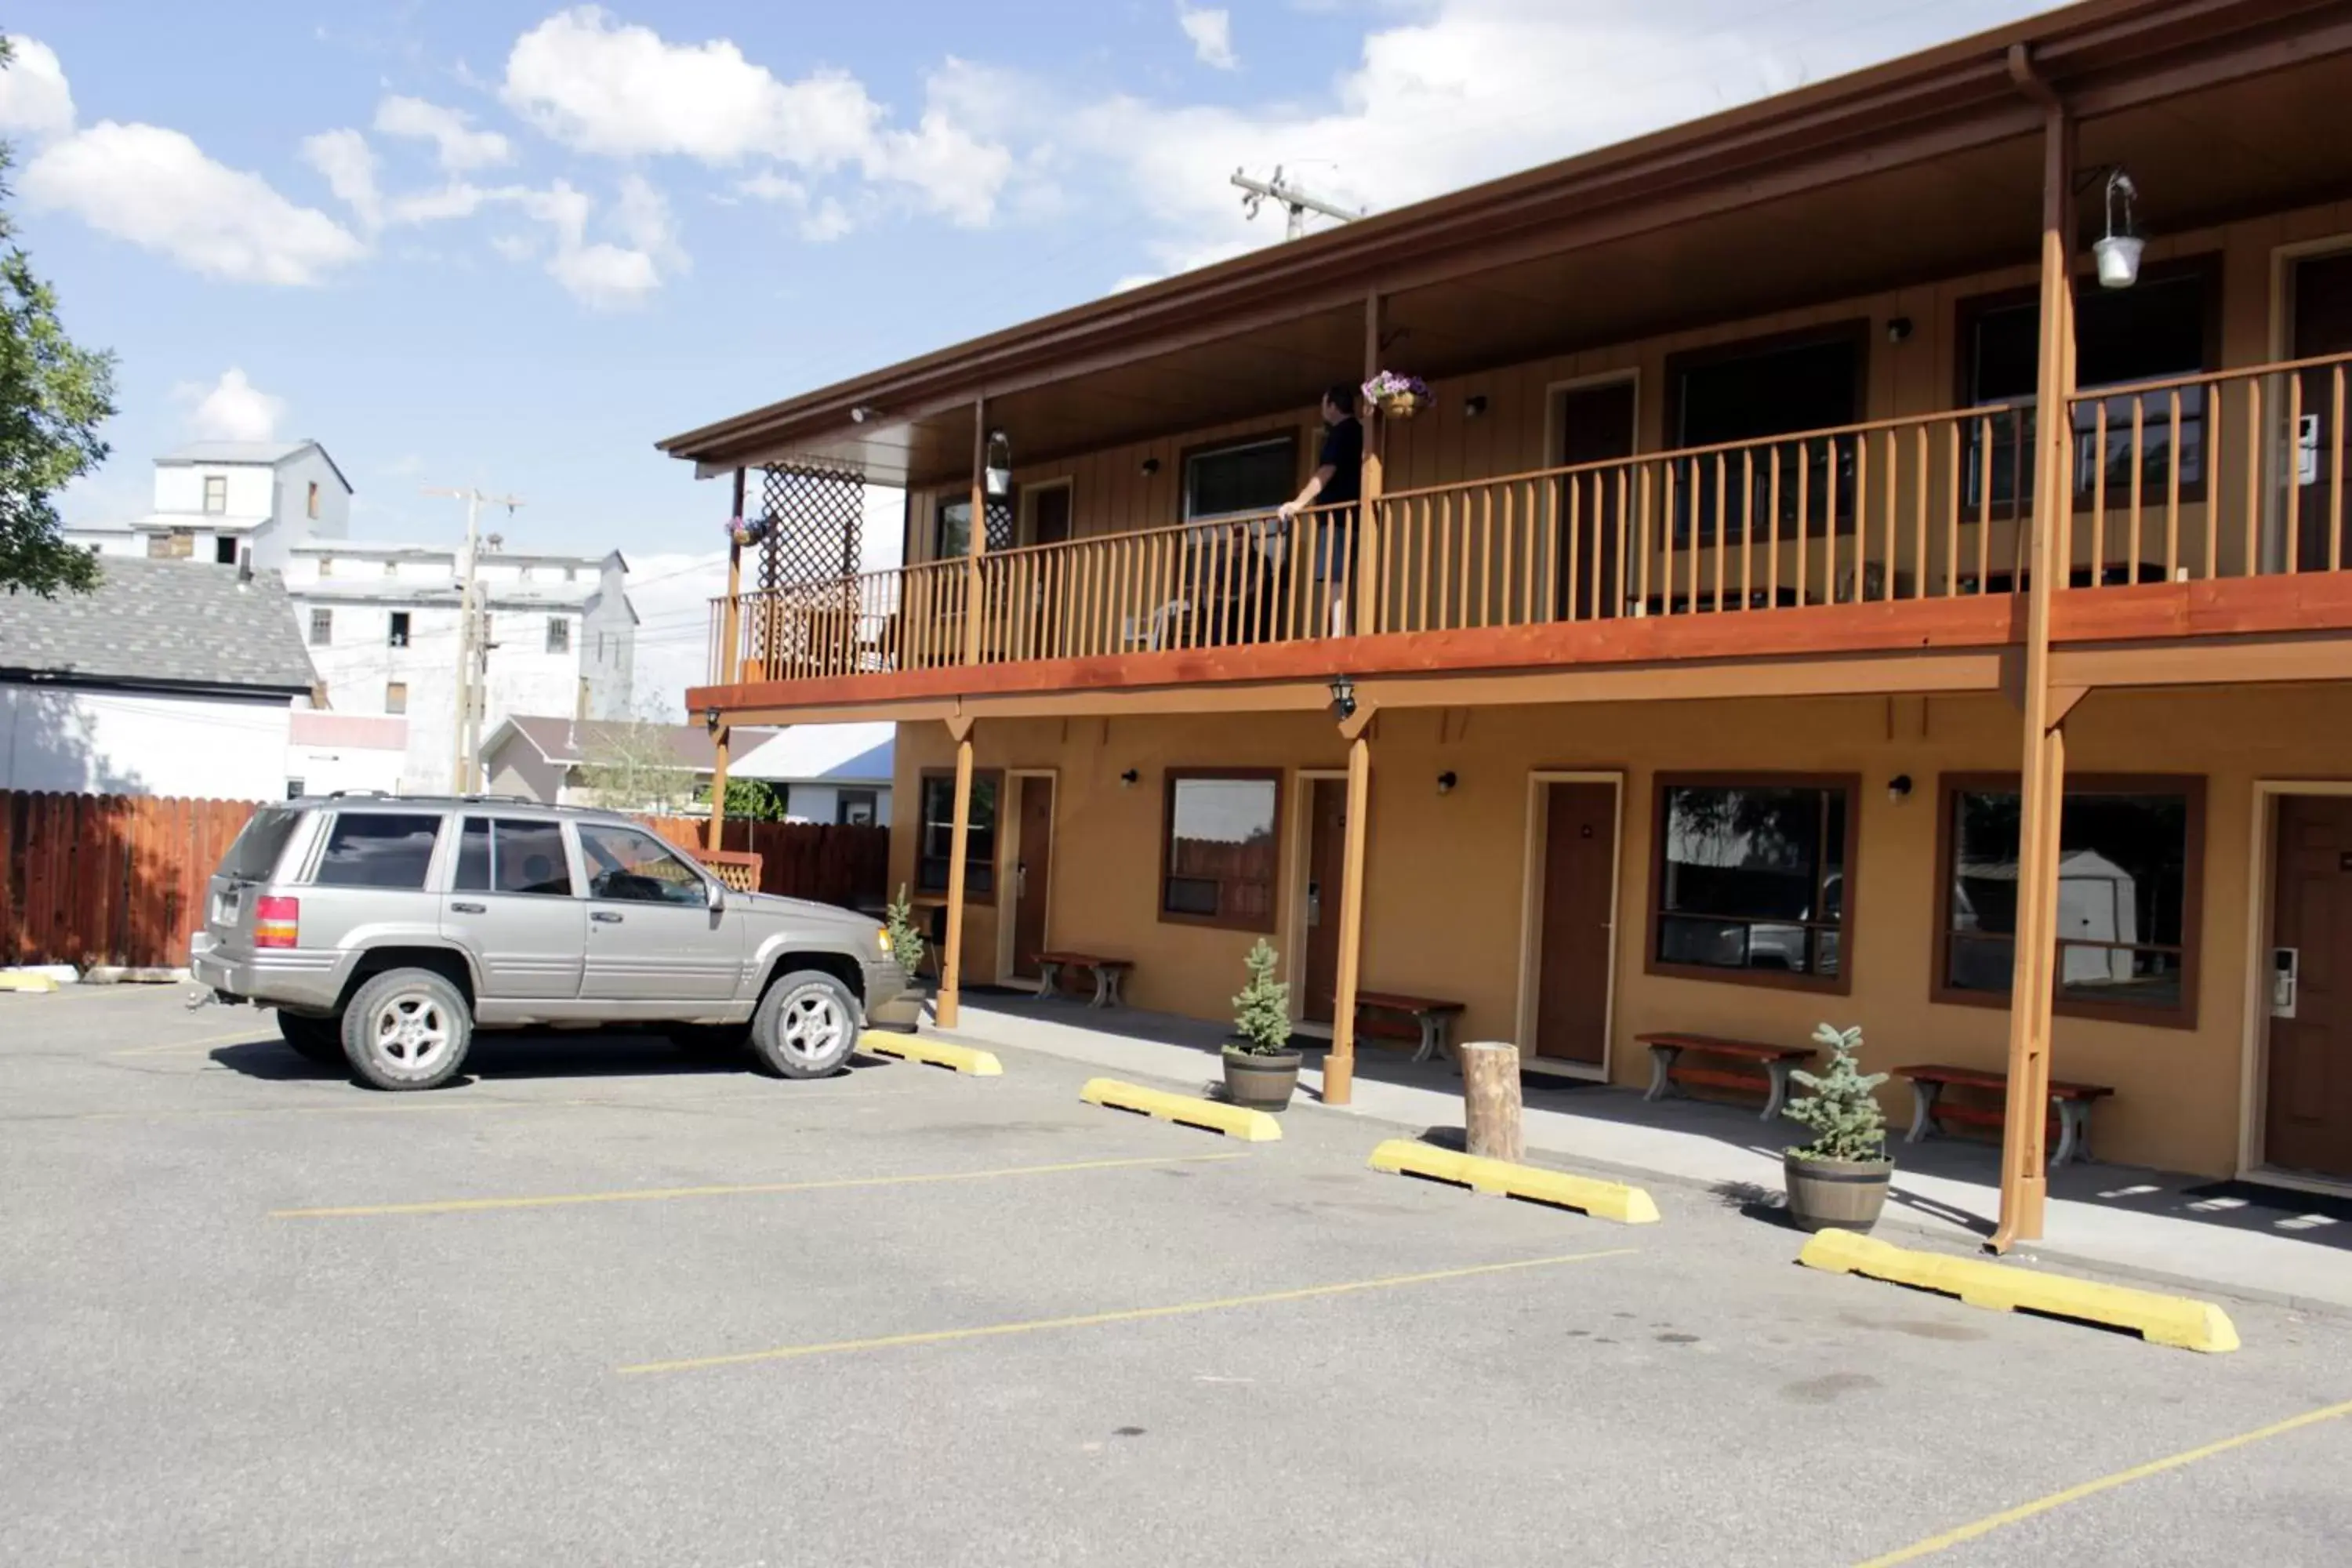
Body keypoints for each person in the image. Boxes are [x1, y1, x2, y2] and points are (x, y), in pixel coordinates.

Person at [1278, 382, 1364, 635]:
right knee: (1342, 575)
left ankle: (1340, 634)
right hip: (1355, 515)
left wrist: (1298, 503)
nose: (1322, 410)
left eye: (1324, 405)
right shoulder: (1360, 431)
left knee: (1335, 575)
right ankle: (1344, 631)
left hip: (1338, 516)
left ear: (1333, 406)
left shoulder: (1340, 433)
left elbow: (1327, 470)